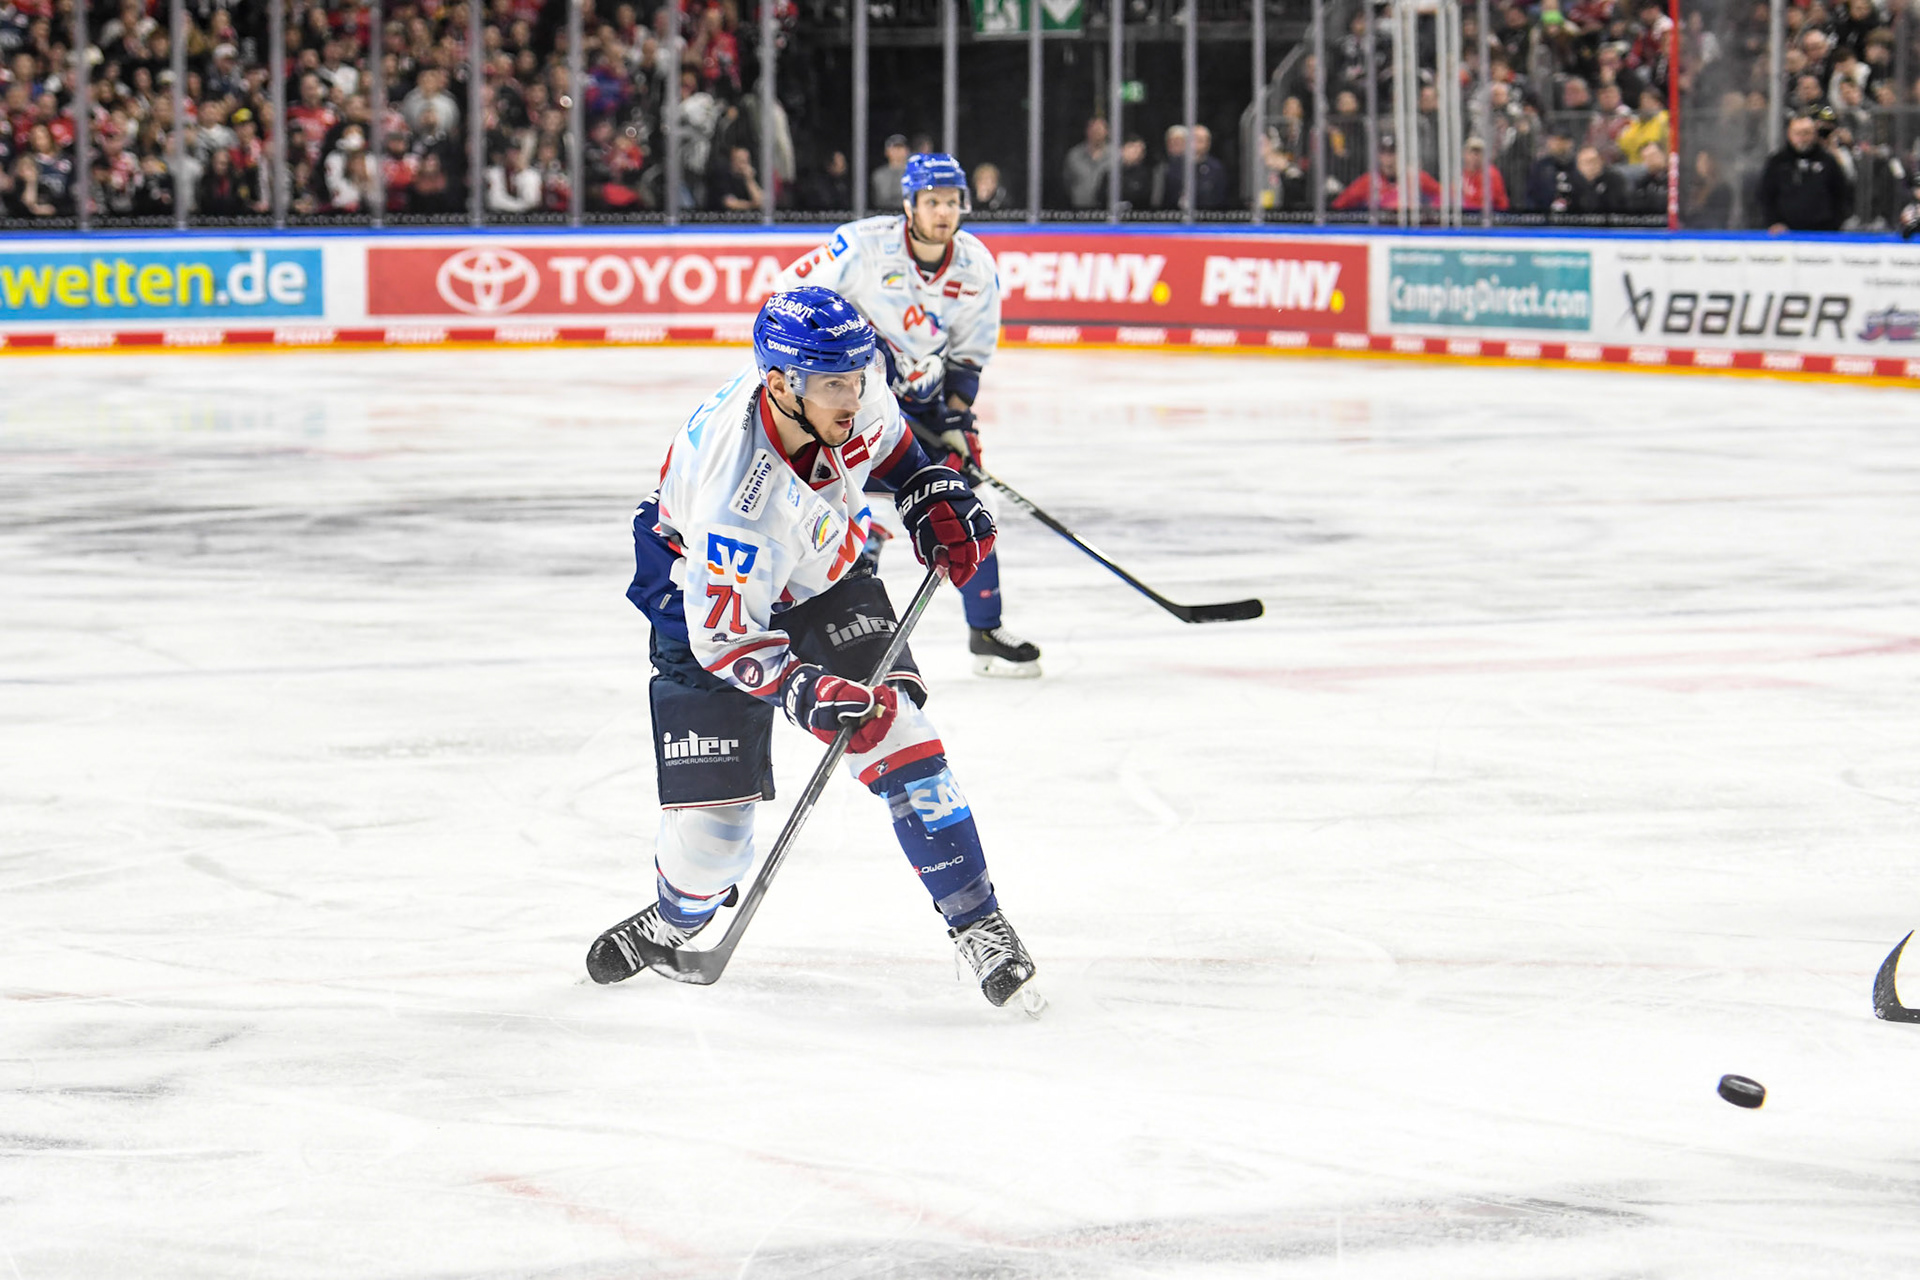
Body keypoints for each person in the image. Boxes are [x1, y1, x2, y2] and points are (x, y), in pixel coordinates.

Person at [587, 286, 1038, 1011]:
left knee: (898, 730)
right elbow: (728, 637)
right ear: (779, 385)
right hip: (703, 613)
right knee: (709, 848)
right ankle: (678, 916)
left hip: (825, 575)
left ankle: (979, 922)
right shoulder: (734, 495)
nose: (852, 397)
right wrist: (804, 690)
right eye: (834, 384)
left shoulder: (844, 384)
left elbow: (894, 450)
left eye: (857, 378)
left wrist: (926, 487)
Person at [776, 154, 1041, 678]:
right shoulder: (862, 245)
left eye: (951, 202)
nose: (943, 212)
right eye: (932, 202)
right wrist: (855, 351)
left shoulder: (975, 265)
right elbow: (790, 294)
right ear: (909, 205)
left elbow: (968, 354)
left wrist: (958, 420)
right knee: (841, 511)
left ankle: (984, 631)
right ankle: (835, 635)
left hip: (922, 406)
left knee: (967, 506)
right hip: (848, 406)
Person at [1757, 112, 1852, 231]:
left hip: (1823, 233)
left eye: (1806, 133)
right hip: (1785, 234)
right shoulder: (1777, 162)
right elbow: (1766, 195)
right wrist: (1773, 222)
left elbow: (1841, 194)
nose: (1802, 138)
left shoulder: (1828, 161)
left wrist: (1835, 224)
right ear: (1789, 134)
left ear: (1814, 134)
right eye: (1797, 133)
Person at [1062, 115, 1110, 209]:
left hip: (1108, 210)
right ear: (1087, 131)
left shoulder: (1116, 156)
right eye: (1094, 129)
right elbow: (1067, 181)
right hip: (1079, 209)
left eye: (1100, 129)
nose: (1097, 133)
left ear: (1107, 132)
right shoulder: (1074, 155)